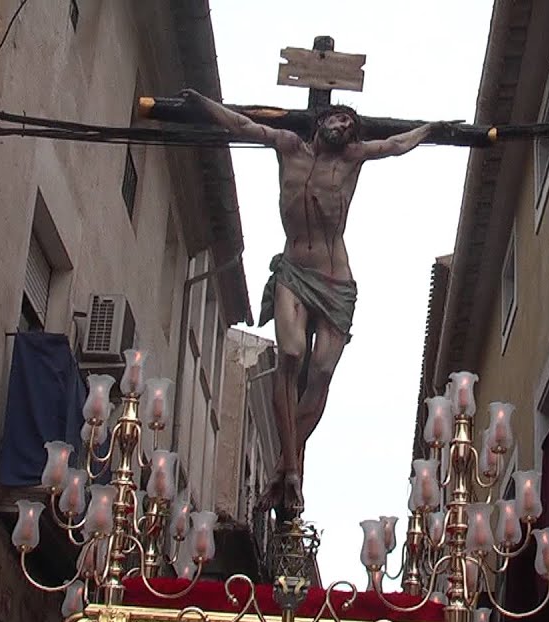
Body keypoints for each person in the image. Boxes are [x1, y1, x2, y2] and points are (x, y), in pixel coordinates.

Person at [180, 88, 452, 520]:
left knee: (321, 372)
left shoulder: (353, 159)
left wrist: (432, 129)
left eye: (350, 125)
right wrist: (202, 104)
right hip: (293, 270)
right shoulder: (287, 146)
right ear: (321, 122)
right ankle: (290, 469)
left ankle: (283, 469)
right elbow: (241, 125)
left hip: (335, 281)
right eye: (338, 119)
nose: (343, 126)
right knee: (289, 356)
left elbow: (396, 144)